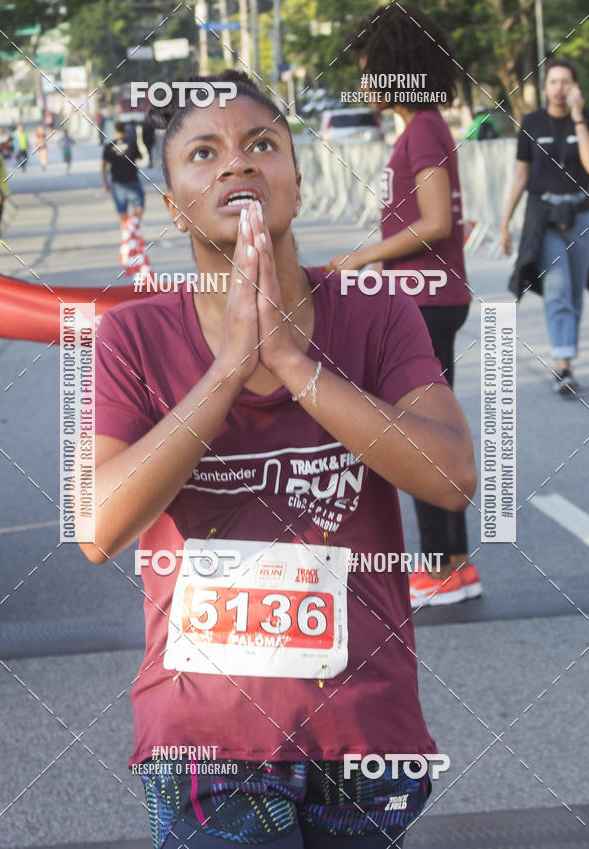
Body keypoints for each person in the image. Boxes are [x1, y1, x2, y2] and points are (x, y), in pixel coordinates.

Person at [78, 70, 476, 848]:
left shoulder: (377, 311)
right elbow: (97, 527)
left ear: (296, 179)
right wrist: (227, 368)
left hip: (366, 730)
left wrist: (295, 364)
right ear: (172, 205)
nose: (237, 164)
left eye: (263, 144)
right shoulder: (133, 337)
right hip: (202, 734)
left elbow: (452, 476)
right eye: (204, 153)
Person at [326, 4, 481, 608]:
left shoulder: (422, 130)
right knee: (434, 428)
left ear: (397, 69)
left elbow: (436, 221)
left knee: (421, 436)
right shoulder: (425, 127)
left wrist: (362, 257)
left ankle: (440, 569)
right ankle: (458, 566)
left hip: (429, 298)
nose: (363, 79)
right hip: (432, 297)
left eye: (369, 67)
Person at [502, 57, 589, 396]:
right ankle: (563, 366)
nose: (559, 89)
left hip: (581, 213)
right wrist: (506, 222)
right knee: (557, 288)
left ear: (575, 87)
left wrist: (579, 117)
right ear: (545, 86)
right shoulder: (532, 122)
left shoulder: (584, 118)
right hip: (545, 217)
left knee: (575, 292)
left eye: (565, 82)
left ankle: (566, 357)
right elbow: (521, 175)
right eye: (553, 82)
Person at [102, 121, 144, 228]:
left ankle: (125, 233)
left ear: (115, 131)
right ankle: (134, 226)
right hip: (132, 180)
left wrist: (105, 183)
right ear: (125, 131)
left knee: (122, 211)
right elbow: (140, 157)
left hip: (117, 183)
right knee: (139, 206)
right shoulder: (131, 142)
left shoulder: (108, 146)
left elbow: (104, 166)